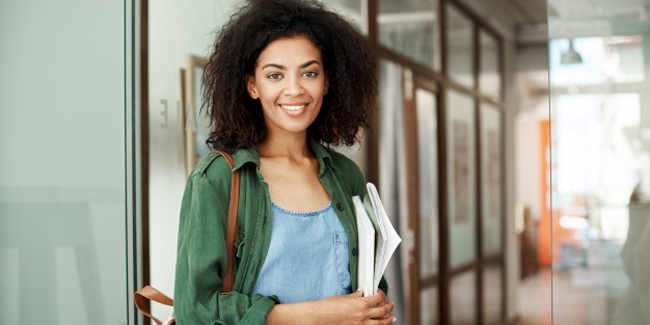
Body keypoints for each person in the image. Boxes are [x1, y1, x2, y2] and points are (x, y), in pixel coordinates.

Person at [174, 0, 396, 323]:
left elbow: (372, 284)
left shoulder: (346, 174)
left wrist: (373, 307)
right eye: (275, 75)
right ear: (252, 85)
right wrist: (321, 314)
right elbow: (195, 310)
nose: (294, 89)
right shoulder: (217, 178)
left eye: (309, 72)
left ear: (327, 82)